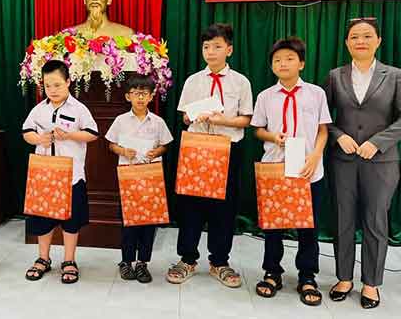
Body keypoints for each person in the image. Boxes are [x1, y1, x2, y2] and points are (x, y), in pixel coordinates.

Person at [324, 17, 401, 309]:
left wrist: (378, 142)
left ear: (378, 41)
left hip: (382, 162)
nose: (360, 41)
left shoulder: (395, 76)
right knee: (343, 219)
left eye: (366, 36)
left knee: (376, 221)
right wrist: (338, 136)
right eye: (354, 37)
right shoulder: (335, 75)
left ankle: (371, 283)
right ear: (347, 43)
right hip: (343, 160)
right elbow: (323, 117)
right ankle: (343, 278)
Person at [167, 23, 253, 287]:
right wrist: (196, 115)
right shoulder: (194, 81)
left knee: (223, 208)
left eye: (217, 46)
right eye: (206, 47)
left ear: (229, 49)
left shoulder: (241, 82)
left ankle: (220, 262)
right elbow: (183, 117)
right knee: (190, 205)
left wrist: (222, 120)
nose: (211, 51)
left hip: (227, 150)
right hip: (196, 148)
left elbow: (246, 120)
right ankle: (187, 258)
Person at [250, 36, 331, 307]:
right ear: (272, 66)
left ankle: (307, 276)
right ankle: (272, 272)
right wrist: (274, 137)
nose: (282, 63)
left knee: (308, 226)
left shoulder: (316, 93)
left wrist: (316, 155)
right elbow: (257, 129)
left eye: (289, 58)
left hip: (308, 169)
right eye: (277, 60)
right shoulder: (265, 96)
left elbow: (323, 129)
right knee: (273, 225)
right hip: (275, 166)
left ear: (302, 63)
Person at [22, 60, 99, 284]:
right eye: (48, 86)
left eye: (57, 85)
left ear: (68, 82)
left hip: (72, 175)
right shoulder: (39, 109)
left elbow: (93, 134)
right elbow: (26, 132)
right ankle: (43, 258)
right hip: (44, 175)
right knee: (42, 219)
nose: (53, 90)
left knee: (70, 221)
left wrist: (71, 135)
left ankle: (69, 260)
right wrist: (39, 139)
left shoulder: (79, 109)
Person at [105, 75, 173, 283]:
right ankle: (126, 261)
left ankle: (143, 262)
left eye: (145, 94)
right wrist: (123, 150)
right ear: (128, 96)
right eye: (136, 93)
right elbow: (110, 144)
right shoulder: (120, 121)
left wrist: (157, 152)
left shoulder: (158, 122)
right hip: (128, 177)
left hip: (150, 178)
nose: (140, 98)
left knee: (148, 223)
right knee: (129, 223)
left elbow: (165, 145)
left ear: (152, 96)